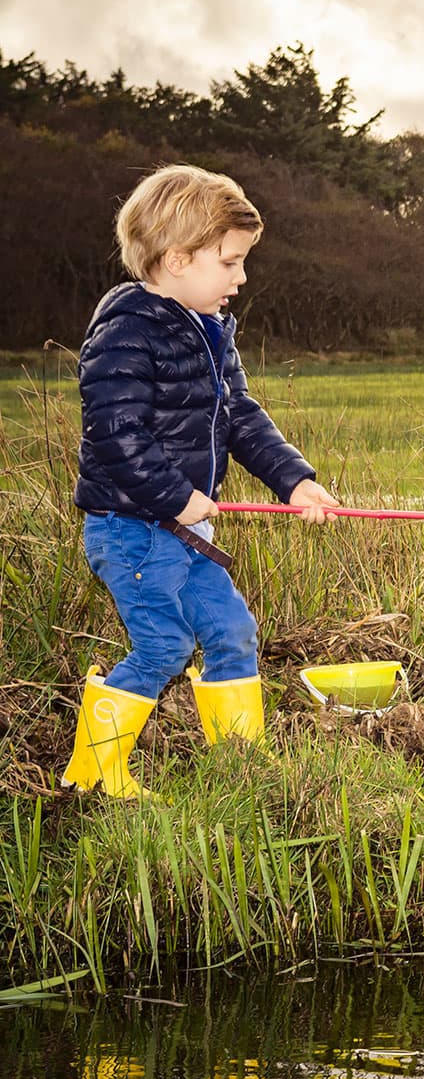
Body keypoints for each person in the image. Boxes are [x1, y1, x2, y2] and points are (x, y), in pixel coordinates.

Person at [64, 163, 339, 798]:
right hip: (133, 530)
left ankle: (240, 768)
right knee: (163, 645)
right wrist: (173, 496)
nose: (241, 279)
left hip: (186, 527)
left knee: (232, 631)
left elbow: (239, 415)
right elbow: (115, 430)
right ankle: (95, 774)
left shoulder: (210, 330)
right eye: (231, 262)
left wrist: (292, 481)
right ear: (178, 258)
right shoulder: (127, 329)